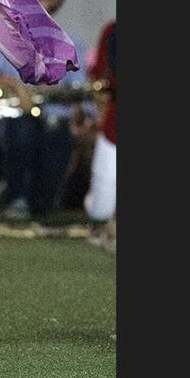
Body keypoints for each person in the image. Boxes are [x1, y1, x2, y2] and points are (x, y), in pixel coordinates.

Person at [0, 0, 95, 220]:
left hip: (55, 120)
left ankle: (32, 199)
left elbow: (79, 92)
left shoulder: (71, 41)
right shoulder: (5, 35)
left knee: (55, 136)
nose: (36, 0)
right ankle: (16, 196)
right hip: (13, 118)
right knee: (23, 128)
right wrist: (19, 88)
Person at [84, 20, 116, 247]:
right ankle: (101, 224)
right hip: (115, 128)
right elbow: (101, 80)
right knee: (100, 209)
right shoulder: (113, 31)